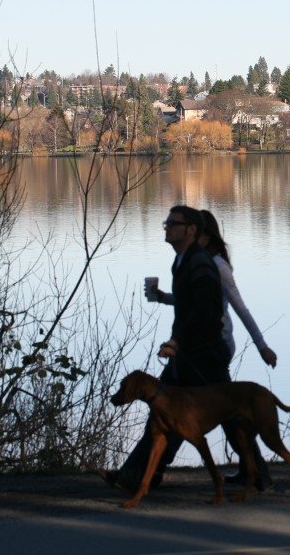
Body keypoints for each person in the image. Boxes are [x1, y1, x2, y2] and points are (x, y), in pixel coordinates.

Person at [148, 209, 279, 488]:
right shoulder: (189, 262)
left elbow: (240, 307)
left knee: (214, 408)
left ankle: (151, 470)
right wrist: (162, 298)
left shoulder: (215, 265)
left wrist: (262, 346)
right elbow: (190, 301)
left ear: (203, 234)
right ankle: (253, 472)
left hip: (213, 343)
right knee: (218, 409)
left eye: (175, 225)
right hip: (194, 344)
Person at [103, 205, 229, 494]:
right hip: (188, 354)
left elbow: (206, 313)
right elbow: (189, 308)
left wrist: (178, 341)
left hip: (203, 356)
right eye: (166, 222)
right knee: (165, 414)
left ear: (192, 230)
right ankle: (139, 475)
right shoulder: (183, 261)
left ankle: (258, 473)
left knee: (231, 414)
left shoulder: (200, 265)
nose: (167, 227)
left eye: (174, 223)